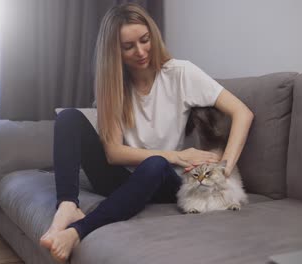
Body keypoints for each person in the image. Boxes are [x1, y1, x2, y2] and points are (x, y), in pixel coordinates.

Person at [39, 3, 254, 262]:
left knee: (155, 164)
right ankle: (67, 205)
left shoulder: (181, 73)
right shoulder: (113, 85)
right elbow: (113, 153)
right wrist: (177, 156)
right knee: (68, 118)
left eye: (145, 40)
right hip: (119, 177)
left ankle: (77, 231)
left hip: (161, 179)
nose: (140, 52)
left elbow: (243, 113)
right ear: (115, 51)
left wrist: (224, 169)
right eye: (128, 47)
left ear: (153, 34)